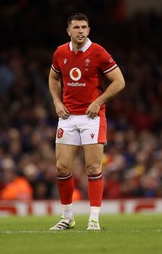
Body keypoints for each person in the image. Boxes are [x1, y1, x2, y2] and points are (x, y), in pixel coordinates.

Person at [48, 12, 125, 231]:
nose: (80, 31)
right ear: (68, 31)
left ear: (88, 30)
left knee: (93, 167)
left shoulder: (98, 52)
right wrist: (56, 102)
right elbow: (53, 77)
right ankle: (67, 217)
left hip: (92, 117)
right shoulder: (60, 52)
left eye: (84, 27)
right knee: (62, 168)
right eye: (76, 27)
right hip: (67, 117)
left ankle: (93, 219)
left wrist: (98, 102)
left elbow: (119, 82)